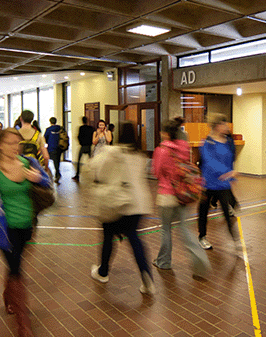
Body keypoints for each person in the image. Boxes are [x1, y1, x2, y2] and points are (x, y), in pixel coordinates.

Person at [90, 122, 156, 295]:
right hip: (140, 203)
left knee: (108, 235)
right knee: (134, 238)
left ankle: (103, 272)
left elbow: (98, 170)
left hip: (118, 202)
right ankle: (146, 274)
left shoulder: (114, 152)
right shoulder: (140, 156)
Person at [0, 128, 51, 337]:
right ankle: (23, 323)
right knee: (17, 270)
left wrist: (38, 178)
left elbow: (47, 182)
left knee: (15, 265)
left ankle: (7, 294)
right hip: (5, 229)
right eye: (10, 142)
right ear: (0, 144)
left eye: (17, 143)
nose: (14, 147)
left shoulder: (27, 162)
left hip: (27, 225)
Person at [152, 120, 211, 277]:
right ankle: (201, 264)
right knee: (185, 230)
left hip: (167, 195)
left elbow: (156, 173)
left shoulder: (162, 150)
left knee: (166, 229)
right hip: (184, 194)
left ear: (166, 133)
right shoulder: (185, 148)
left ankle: (164, 262)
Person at [197, 114, 241, 252]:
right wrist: (227, 173)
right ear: (217, 126)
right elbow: (209, 162)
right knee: (203, 211)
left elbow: (229, 161)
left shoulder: (227, 142)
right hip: (208, 183)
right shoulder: (207, 143)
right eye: (224, 124)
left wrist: (231, 176)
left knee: (228, 214)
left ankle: (235, 240)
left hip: (223, 184)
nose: (227, 126)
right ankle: (202, 237)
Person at [72, 117, 94, 182]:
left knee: (78, 161)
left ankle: (77, 175)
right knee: (92, 161)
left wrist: (80, 143)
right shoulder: (91, 128)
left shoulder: (81, 128)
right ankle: (96, 176)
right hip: (89, 146)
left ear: (82, 121)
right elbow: (92, 136)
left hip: (83, 146)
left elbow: (78, 136)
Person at [44, 117, 62, 183]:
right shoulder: (60, 128)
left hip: (52, 147)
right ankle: (57, 174)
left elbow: (45, 138)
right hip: (59, 147)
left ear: (50, 122)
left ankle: (57, 174)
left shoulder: (48, 129)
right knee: (57, 161)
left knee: (52, 161)